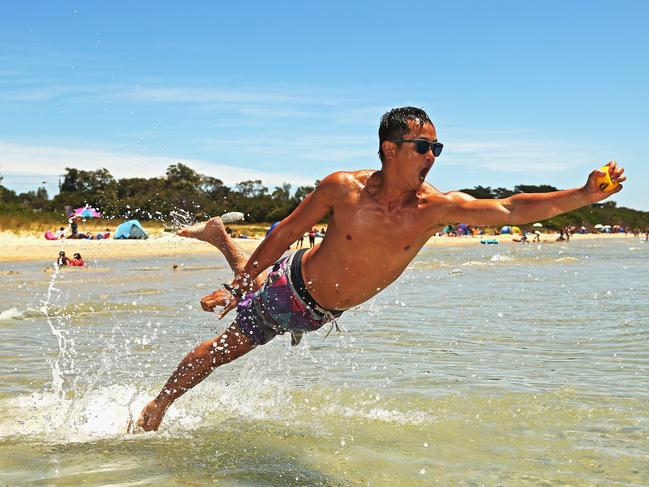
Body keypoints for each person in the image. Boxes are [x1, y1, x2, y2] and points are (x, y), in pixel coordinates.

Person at [133, 106, 625, 432]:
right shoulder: (342, 189)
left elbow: (512, 208)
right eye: (423, 147)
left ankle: (222, 241)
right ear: (390, 150)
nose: (432, 156)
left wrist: (582, 196)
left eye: (437, 148)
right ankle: (157, 407)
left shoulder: (436, 208)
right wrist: (240, 287)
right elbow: (284, 232)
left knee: (246, 297)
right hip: (291, 290)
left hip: (321, 312)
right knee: (223, 350)